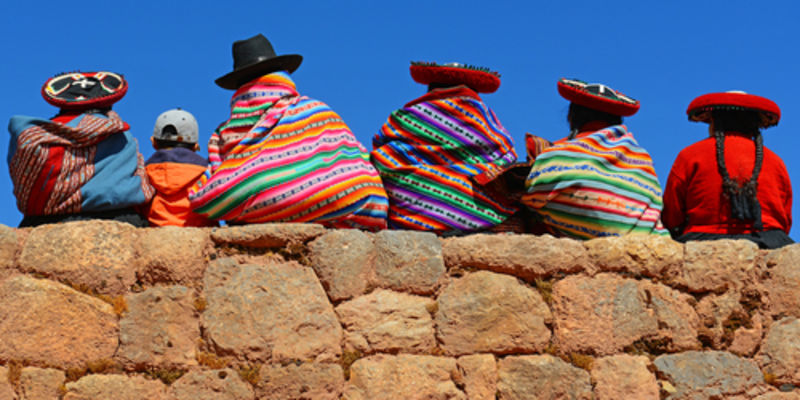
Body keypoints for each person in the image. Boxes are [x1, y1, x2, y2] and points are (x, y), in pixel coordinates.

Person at [189, 34, 388, 229]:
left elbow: (213, 192)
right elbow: (358, 164)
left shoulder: (225, 133)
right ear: (281, 75)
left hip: (257, 215)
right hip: (347, 203)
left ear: (239, 87)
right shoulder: (316, 111)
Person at [371, 61, 519, 234]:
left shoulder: (406, 119)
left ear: (431, 90)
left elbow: (381, 155)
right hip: (485, 217)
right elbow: (507, 158)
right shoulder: (485, 122)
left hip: (411, 219)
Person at [522, 78, 668, 239]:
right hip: (644, 243)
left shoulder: (558, 155)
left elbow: (532, 196)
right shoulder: (642, 160)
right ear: (617, 122)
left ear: (572, 117)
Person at [7, 71, 154, 227]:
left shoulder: (30, 137)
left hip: (40, 222)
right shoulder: (120, 135)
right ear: (108, 103)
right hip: (117, 219)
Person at [661, 91, 793, 249]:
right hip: (770, 243)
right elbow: (785, 219)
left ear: (715, 123)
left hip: (701, 242)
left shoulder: (690, 155)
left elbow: (672, 216)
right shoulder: (776, 162)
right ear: (755, 127)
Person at [144, 108, 216, 227]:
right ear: (195, 147)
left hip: (155, 230)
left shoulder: (144, 172)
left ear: (153, 143)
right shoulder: (208, 172)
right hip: (200, 230)